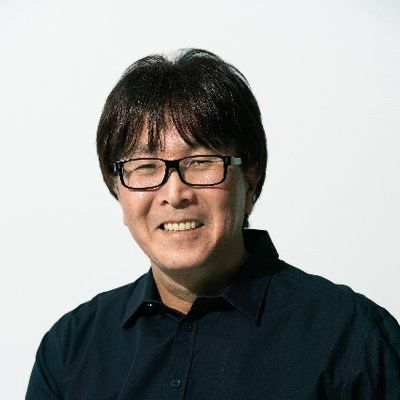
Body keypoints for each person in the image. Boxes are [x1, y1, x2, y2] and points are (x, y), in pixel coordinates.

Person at [26, 49, 400, 400]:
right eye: (145, 166)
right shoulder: (70, 349)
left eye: (200, 162)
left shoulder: (352, 338)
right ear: (118, 190)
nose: (174, 194)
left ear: (250, 177)